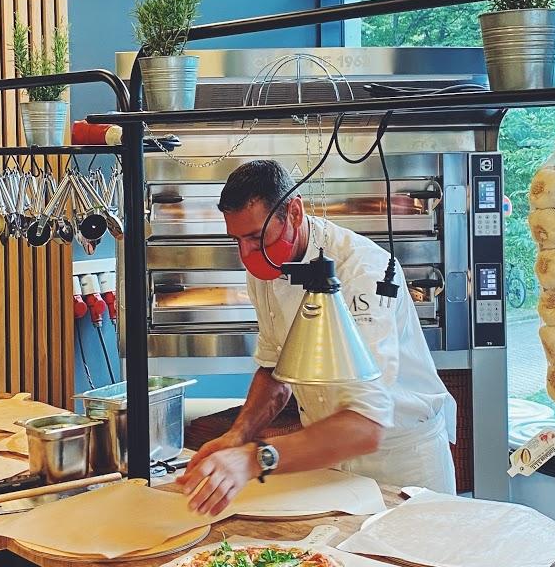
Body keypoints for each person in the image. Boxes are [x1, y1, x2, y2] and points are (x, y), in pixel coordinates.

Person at [180, 158, 457, 517]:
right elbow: (275, 369)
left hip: (400, 461)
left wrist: (254, 459)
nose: (247, 255)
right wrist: (239, 435)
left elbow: (367, 424)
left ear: (294, 212)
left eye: (255, 238)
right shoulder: (265, 267)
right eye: (237, 240)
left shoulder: (362, 270)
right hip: (327, 459)